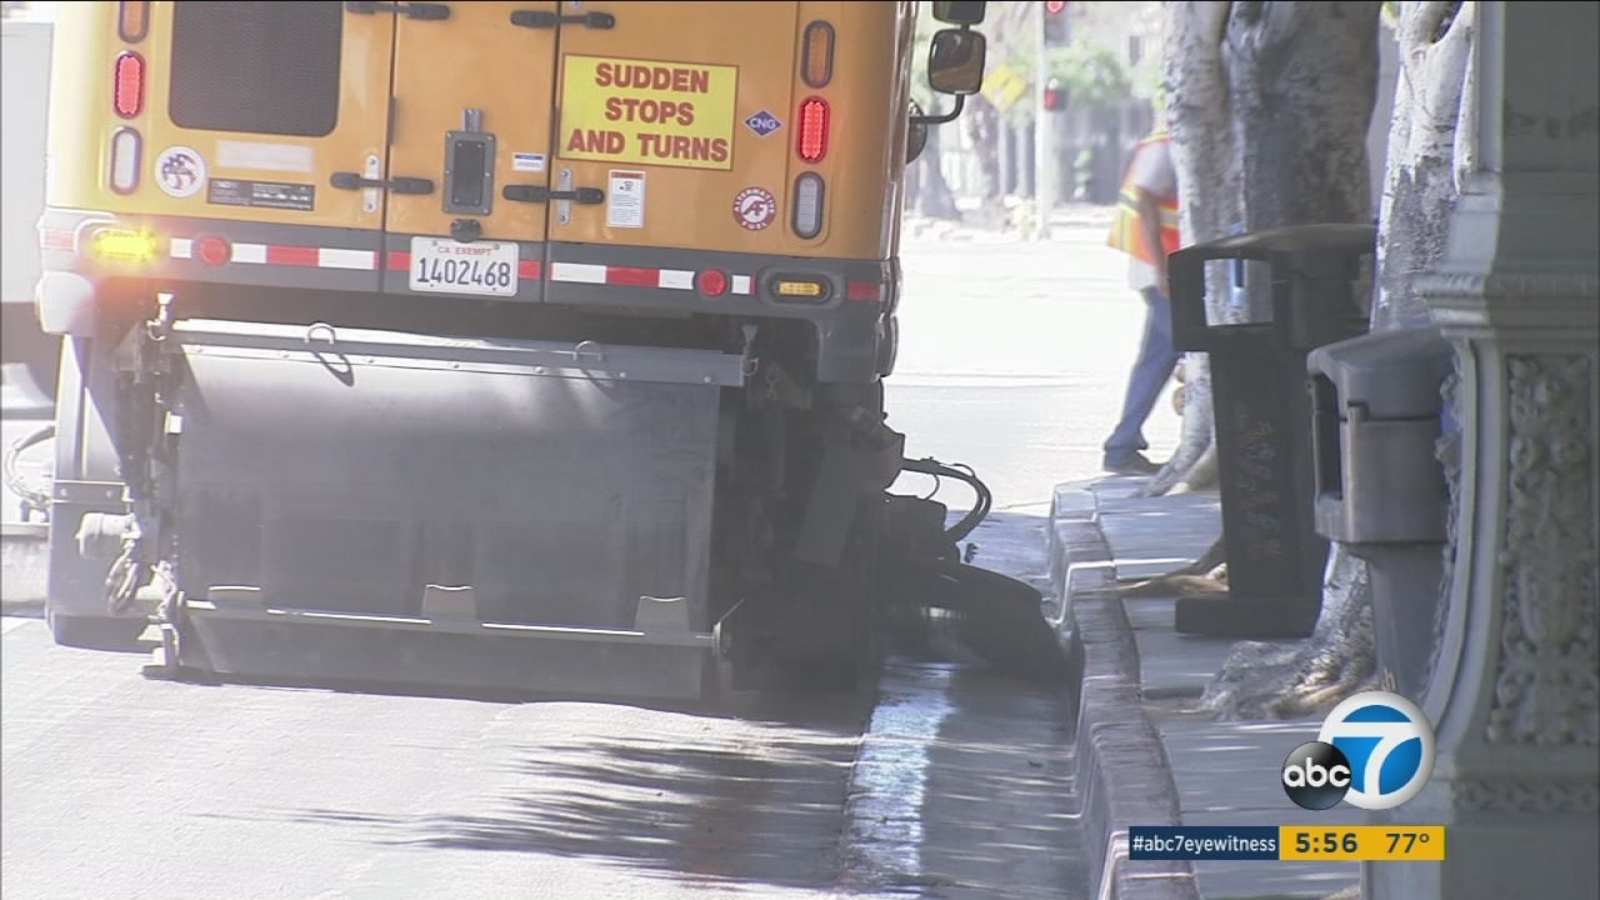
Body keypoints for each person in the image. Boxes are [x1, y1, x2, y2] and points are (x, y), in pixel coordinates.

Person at [1101, 115, 1182, 476]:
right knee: (1196, 353)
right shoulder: (1168, 143)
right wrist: (1164, 270)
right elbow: (1147, 201)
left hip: (1166, 268)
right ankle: (1121, 447)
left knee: (1157, 359)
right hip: (1162, 270)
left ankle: (1122, 446)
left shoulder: (1168, 140)